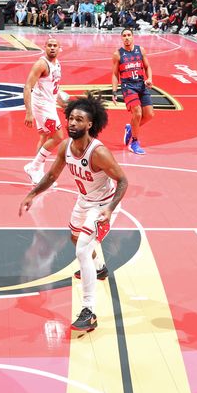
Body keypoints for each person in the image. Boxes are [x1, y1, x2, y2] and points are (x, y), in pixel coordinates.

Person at [19, 92, 128, 332]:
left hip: (103, 206)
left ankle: (89, 311)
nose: (73, 123)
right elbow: (51, 175)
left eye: (79, 120)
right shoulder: (66, 146)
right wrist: (32, 194)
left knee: (82, 249)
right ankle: (99, 268)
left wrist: (110, 210)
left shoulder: (98, 153)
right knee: (75, 237)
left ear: (90, 124)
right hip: (84, 201)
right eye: (71, 118)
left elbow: (122, 181)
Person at [23, 38, 65, 184]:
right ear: (45, 47)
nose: (52, 48)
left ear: (60, 48)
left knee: (45, 136)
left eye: (55, 45)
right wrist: (29, 113)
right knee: (58, 137)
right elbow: (27, 87)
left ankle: (38, 172)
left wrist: (62, 104)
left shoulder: (57, 64)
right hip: (42, 106)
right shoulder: (41, 64)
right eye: (50, 45)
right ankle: (34, 168)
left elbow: (54, 88)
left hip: (50, 104)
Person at [112, 28, 154, 155]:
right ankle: (134, 142)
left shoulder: (140, 50)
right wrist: (114, 91)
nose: (126, 38)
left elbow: (147, 67)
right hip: (128, 86)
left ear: (133, 36)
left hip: (141, 85)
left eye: (129, 35)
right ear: (121, 38)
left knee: (149, 115)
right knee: (137, 112)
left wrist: (150, 78)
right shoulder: (117, 54)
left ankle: (130, 128)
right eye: (124, 35)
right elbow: (114, 74)